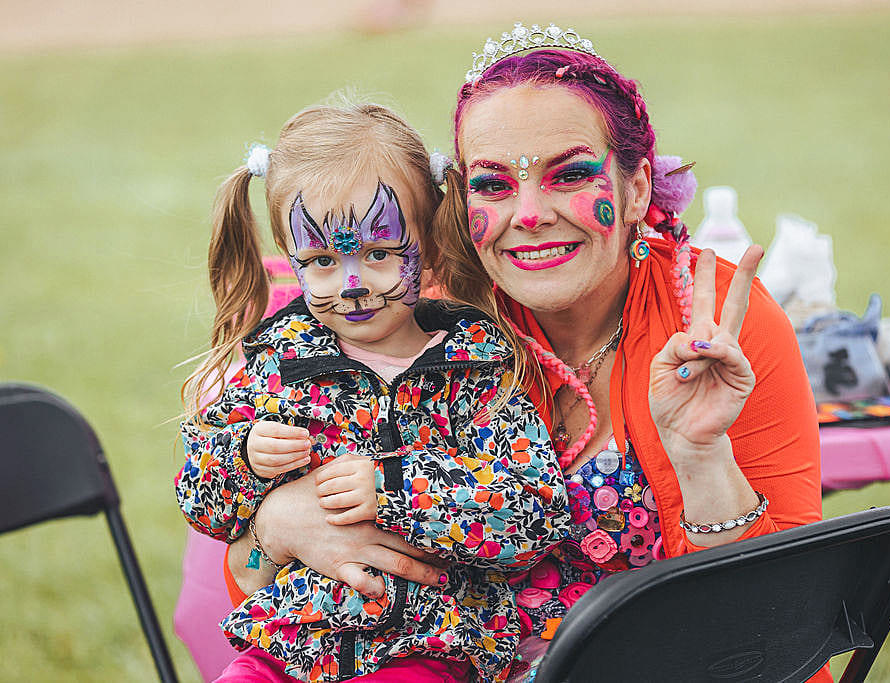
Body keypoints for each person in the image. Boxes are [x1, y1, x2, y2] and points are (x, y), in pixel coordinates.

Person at [225, 24, 825, 682]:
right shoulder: (420, 326)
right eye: (493, 184)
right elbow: (254, 588)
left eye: (569, 174)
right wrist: (275, 527)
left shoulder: (710, 322)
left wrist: (703, 458)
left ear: (638, 189)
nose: (531, 212)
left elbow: (783, 628)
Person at [175, 101, 570, 682]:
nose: (353, 284)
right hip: (286, 646)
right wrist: (244, 459)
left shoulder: (476, 370)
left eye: (380, 254)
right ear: (292, 261)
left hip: (426, 648)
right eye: (323, 261)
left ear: (430, 245)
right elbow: (201, 501)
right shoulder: (279, 363)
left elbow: (533, 516)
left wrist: (394, 490)